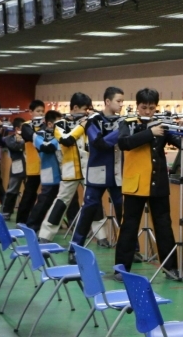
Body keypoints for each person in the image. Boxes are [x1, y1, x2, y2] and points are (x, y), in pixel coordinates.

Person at [115, 88, 183, 280]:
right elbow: (124, 143)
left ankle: (170, 268)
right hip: (135, 185)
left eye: (151, 108)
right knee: (129, 226)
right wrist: (150, 132)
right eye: (144, 107)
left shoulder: (162, 124)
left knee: (164, 226)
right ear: (137, 106)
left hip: (158, 184)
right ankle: (121, 268)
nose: (148, 111)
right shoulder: (128, 123)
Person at [38, 93, 107, 244]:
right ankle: (45, 234)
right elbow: (67, 140)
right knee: (61, 203)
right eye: (84, 109)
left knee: (94, 202)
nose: (86, 112)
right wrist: (82, 126)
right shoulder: (60, 124)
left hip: (89, 169)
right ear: (75, 107)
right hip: (70, 171)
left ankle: (102, 236)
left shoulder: (91, 122)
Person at [70, 87, 125, 261]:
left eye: (122, 101)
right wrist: (121, 132)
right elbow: (99, 143)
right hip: (97, 173)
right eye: (118, 101)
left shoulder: (123, 120)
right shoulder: (93, 120)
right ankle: (74, 249)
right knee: (88, 212)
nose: (121, 105)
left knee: (124, 212)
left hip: (117, 174)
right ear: (107, 101)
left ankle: (131, 249)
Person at [26, 110, 63, 231]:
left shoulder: (61, 133)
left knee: (69, 202)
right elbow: (46, 147)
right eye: (59, 123)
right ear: (50, 124)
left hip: (65, 173)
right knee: (44, 201)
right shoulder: (39, 135)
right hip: (49, 172)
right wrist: (59, 138)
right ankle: (32, 226)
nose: (61, 126)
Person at [15, 100, 46, 224]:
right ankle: (21, 221)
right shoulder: (26, 125)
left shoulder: (47, 124)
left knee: (48, 195)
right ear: (31, 112)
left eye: (43, 111)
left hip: (47, 166)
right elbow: (31, 136)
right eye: (38, 111)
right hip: (33, 166)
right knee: (29, 195)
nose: (41, 113)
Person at [1, 118, 27, 219]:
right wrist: (22, 142)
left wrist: (22, 141)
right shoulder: (9, 138)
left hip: (30, 165)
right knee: (12, 189)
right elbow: (15, 147)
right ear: (17, 128)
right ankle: (6, 212)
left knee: (29, 191)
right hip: (17, 165)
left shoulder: (29, 137)